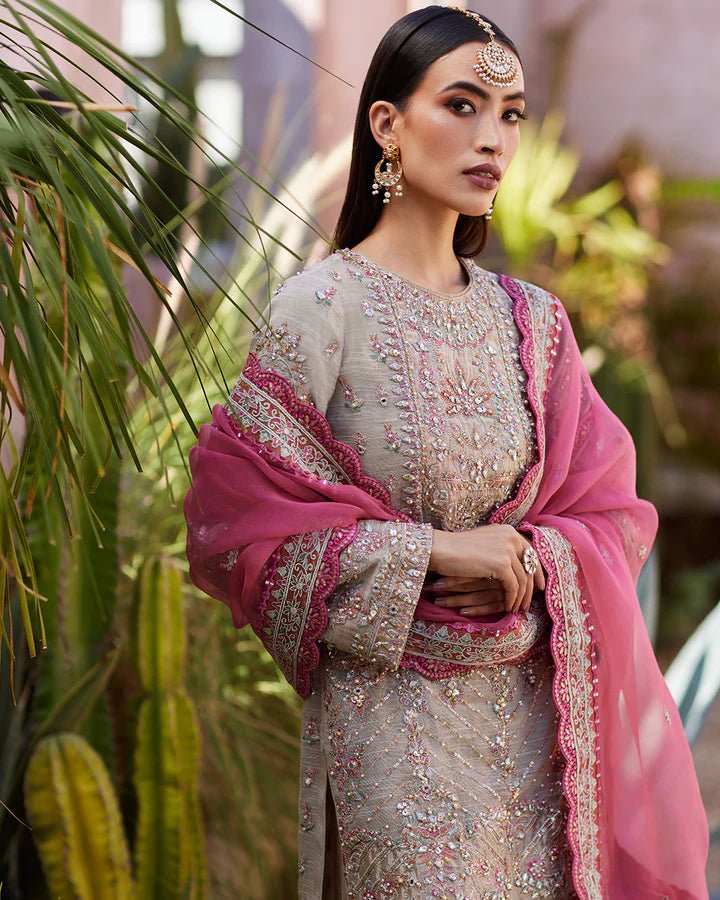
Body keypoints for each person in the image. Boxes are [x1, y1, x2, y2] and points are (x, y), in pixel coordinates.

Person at [184, 6, 709, 898]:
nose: (492, 137)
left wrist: (539, 561)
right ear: (386, 124)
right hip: (393, 735)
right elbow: (237, 532)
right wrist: (429, 553)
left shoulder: (534, 323)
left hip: (539, 730)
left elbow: (611, 514)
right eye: (461, 105)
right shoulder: (322, 310)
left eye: (509, 113)